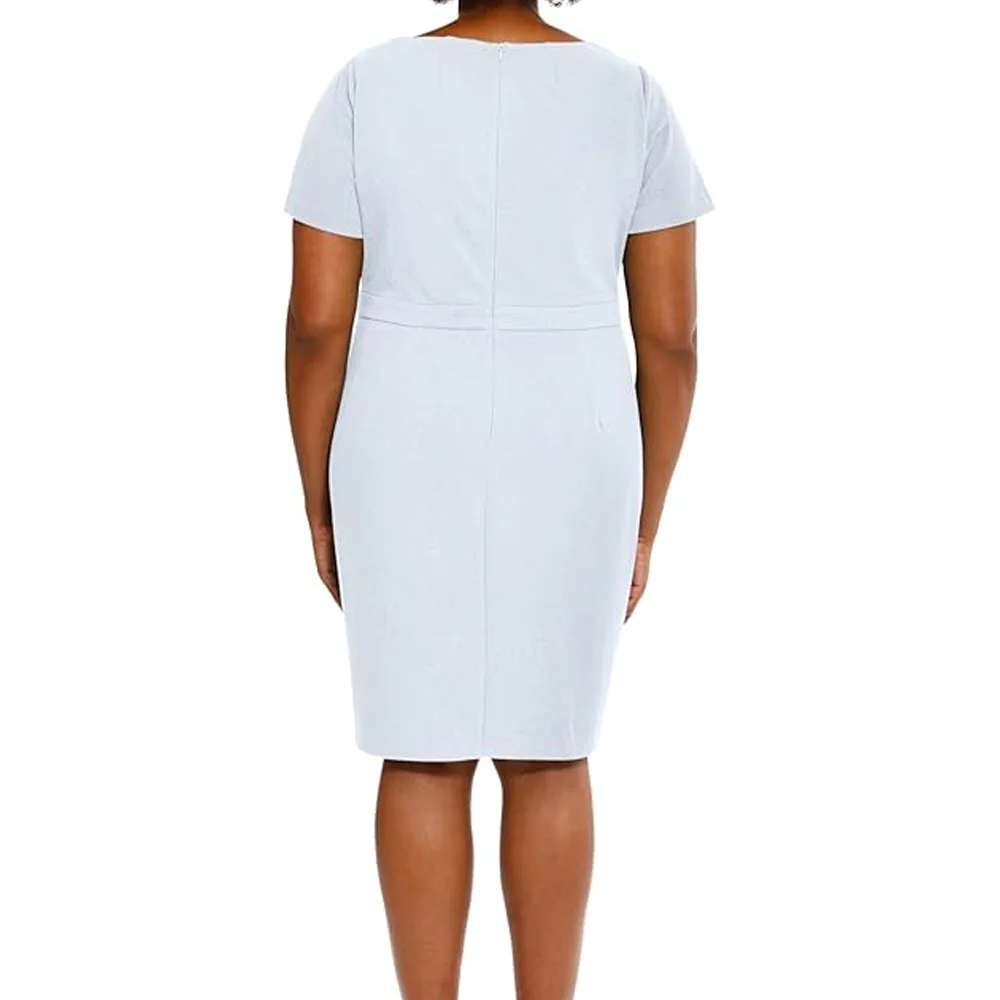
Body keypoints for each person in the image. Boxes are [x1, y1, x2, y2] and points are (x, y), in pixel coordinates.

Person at [282, 0, 714, 996]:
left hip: (401, 430)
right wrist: (646, 515)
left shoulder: (365, 85)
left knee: (419, 749)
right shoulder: (630, 94)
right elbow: (672, 339)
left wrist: (317, 496)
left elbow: (315, 323)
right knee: (550, 750)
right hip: (576, 434)